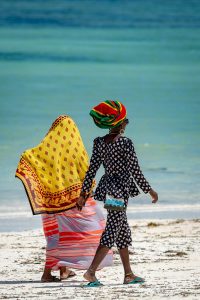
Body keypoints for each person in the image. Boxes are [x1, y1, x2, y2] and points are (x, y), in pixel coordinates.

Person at [16, 115, 113, 282]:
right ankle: (48, 274)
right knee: (85, 229)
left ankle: (62, 271)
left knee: (55, 237)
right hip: (74, 201)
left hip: (51, 204)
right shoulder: (75, 149)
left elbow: (31, 159)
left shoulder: (47, 151)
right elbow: (86, 173)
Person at [76, 100, 158, 286]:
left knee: (122, 231)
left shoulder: (99, 143)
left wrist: (83, 194)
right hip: (119, 192)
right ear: (119, 124)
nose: (126, 124)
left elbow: (92, 170)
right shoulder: (125, 143)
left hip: (109, 189)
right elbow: (135, 171)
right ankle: (91, 272)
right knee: (112, 230)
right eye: (125, 121)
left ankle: (128, 274)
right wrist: (149, 190)